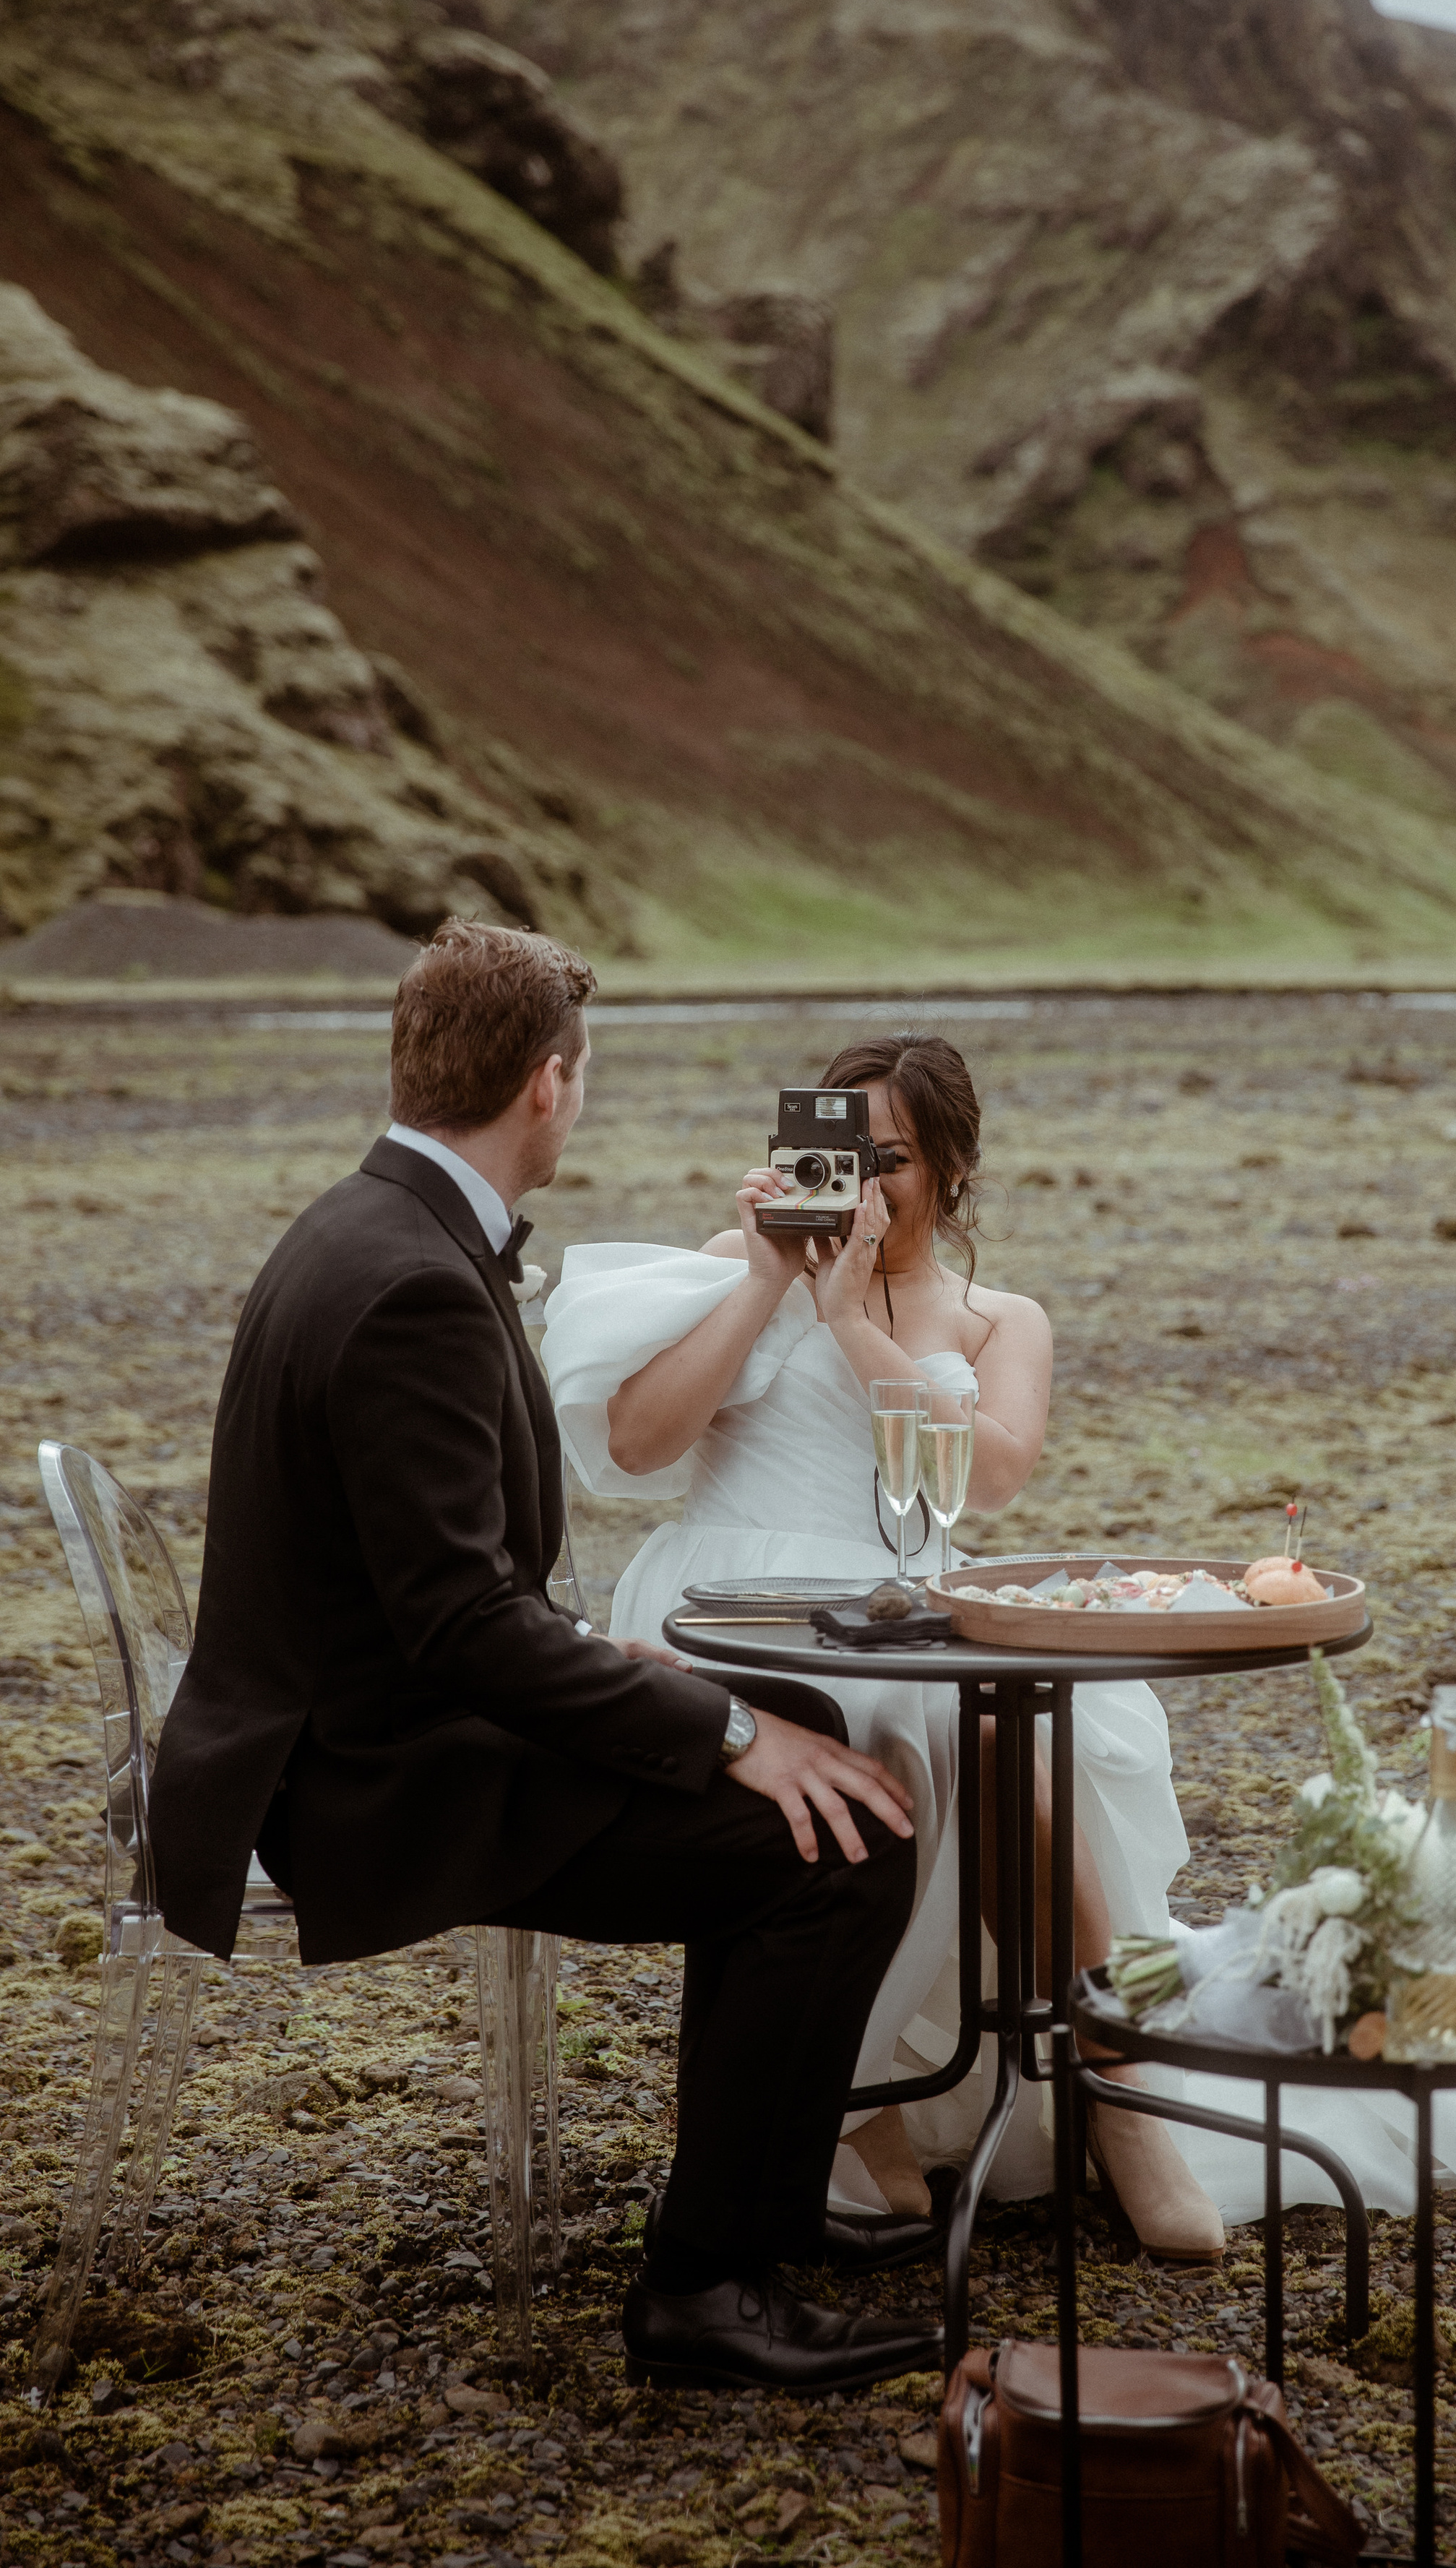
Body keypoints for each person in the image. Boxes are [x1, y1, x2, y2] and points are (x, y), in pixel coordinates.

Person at [147, 921, 942, 2396]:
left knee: (805, 1731)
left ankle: (756, 2222)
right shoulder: (414, 1285)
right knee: (830, 1842)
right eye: (579, 1076)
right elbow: (458, 1627)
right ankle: (705, 2288)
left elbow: (439, 1596)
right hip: (373, 1779)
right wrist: (711, 1731)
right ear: (544, 1088)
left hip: (384, 1713)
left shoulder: (366, 1228)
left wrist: (666, 1687)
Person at [543, 1033, 1227, 2259]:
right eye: (837, 1149)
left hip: (907, 1598)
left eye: (894, 1158)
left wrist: (853, 1322)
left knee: (1025, 1741)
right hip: (725, 1600)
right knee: (919, 1731)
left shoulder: (997, 1316)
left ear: (953, 1172)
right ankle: (856, 2105)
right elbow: (640, 1449)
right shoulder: (729, 1270)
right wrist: (766, 1281)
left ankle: (1117, 2099)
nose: (862, 1181)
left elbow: (996, 1478)